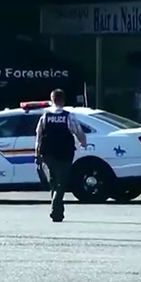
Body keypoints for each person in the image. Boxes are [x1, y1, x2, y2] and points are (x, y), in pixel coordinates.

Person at [35, 88, 86, 222]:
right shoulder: (68, 116)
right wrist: (83, 143)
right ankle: (56, 209)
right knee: (61, 183)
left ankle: (57, 211)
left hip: (47, 153)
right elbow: (78, 132)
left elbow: (39, 135)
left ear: (52, 100)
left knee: (53, 182)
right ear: (63, 100)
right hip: (64, 153)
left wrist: (37, 154)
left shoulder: (45, 117)